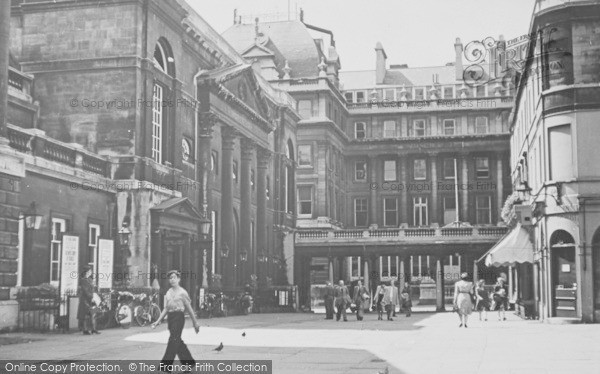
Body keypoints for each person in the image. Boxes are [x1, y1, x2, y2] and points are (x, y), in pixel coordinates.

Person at [151, 270, 200, 373]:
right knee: (177, 341)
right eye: (170, 278)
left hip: (179, 317)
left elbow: (190, 309)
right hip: (171, 318)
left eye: (174, 277)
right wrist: (157, 321)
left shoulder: (183, 292)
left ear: (178, 279)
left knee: (173, 339)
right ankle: (189, 363)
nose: (172, 280)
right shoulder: (168, 293)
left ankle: (166, 366)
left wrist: (195, 322)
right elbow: (166, 308)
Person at [77, 265, 99, 335]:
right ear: (86, 272)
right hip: (85, 300)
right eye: (90, 271)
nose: (91, 272)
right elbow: (85, 290)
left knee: (94, 313)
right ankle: (85, 330)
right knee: (85, 315)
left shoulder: (90, 279)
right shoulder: (83, 280)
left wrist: (94, 296)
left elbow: (92, 289)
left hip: (92, 299)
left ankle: (94, 329)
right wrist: (91, 297)